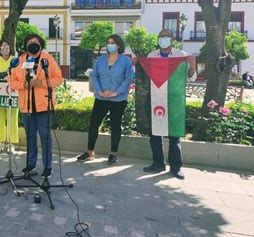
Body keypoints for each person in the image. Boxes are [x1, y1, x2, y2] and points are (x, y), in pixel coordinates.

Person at [143, 29, 197, 180]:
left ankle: (176, 167)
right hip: (156, 98)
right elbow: (146, 75)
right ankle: (158, 163)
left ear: (172, 39)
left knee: (174, 134)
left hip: (174, 100)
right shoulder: (152, 55)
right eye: (161, 36)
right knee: (155, 133)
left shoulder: (181, 55)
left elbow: (191, 78)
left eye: (166, 36)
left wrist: (192, 66)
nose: (163, 39)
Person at [10, 34, 64, 178]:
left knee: (45, 136)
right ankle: (31, 164)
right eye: (29, 42)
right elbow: (12, 81)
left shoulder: (48, 59)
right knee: (30, 136)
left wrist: (42, 83)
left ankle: (48, 166)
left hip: (44, 105)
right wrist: (24, 85)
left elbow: (59, 78)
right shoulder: (20, 60)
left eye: (35, 42)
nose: (32, 44)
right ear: (25, 45)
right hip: (26, 106)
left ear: (40, 44)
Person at [77, 34, 133, 164]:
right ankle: (90, 151)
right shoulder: (101, 59)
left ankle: (113, 153)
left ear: (119, 45)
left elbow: (128, 79)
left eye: (113, 42)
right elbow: (94, 75)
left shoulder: (125, 61)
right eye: (108, 42)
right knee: (94, 124)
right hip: (101, 97)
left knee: (115, 126)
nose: (110, 44)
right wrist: (100, 91)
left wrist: (116, 92)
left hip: (118, 99)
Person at [0, 40, 19, 153]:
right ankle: (0, 142)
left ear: (11, 48)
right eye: (2, 46)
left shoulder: (16, 61)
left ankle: (11, 143)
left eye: (7, 45)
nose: (4, 47)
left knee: (12, 118)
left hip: (13, 94)